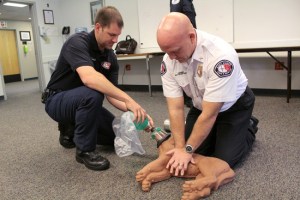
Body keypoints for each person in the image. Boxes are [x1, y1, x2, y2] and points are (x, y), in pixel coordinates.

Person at [42, 6, 153, 171]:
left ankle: (72, 128)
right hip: (57, 100)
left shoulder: (110, 57)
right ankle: (84, 150)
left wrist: (138, 113)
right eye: (112, 35)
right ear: (98, 27)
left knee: (114, 136)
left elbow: (113, 95)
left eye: (118, 35)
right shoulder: (77, 42)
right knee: (93, 92)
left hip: (84, 102)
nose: (116, 40)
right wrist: (129, 100)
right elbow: (89, 78)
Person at [157, 13, 259, 176]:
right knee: (198, 151)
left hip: (233, 107)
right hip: (200, 105)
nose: (171, 58)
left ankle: (248, 128)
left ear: (191, 37)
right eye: (166, 52)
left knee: (223, 159)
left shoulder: (221, 56)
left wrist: (187, 150)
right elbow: (175, 108)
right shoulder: (169, 59)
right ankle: (215, 134)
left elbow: (210, 114)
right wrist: (179, 147)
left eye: (175, 51)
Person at [170, 0, 197, 107]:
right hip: (182, 39)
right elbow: (175, 18)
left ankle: (194, 95)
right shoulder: (176, 2)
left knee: (193, 66)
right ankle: (187, 97)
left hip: (189, 38)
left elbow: (191, 21)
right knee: (182, 67)